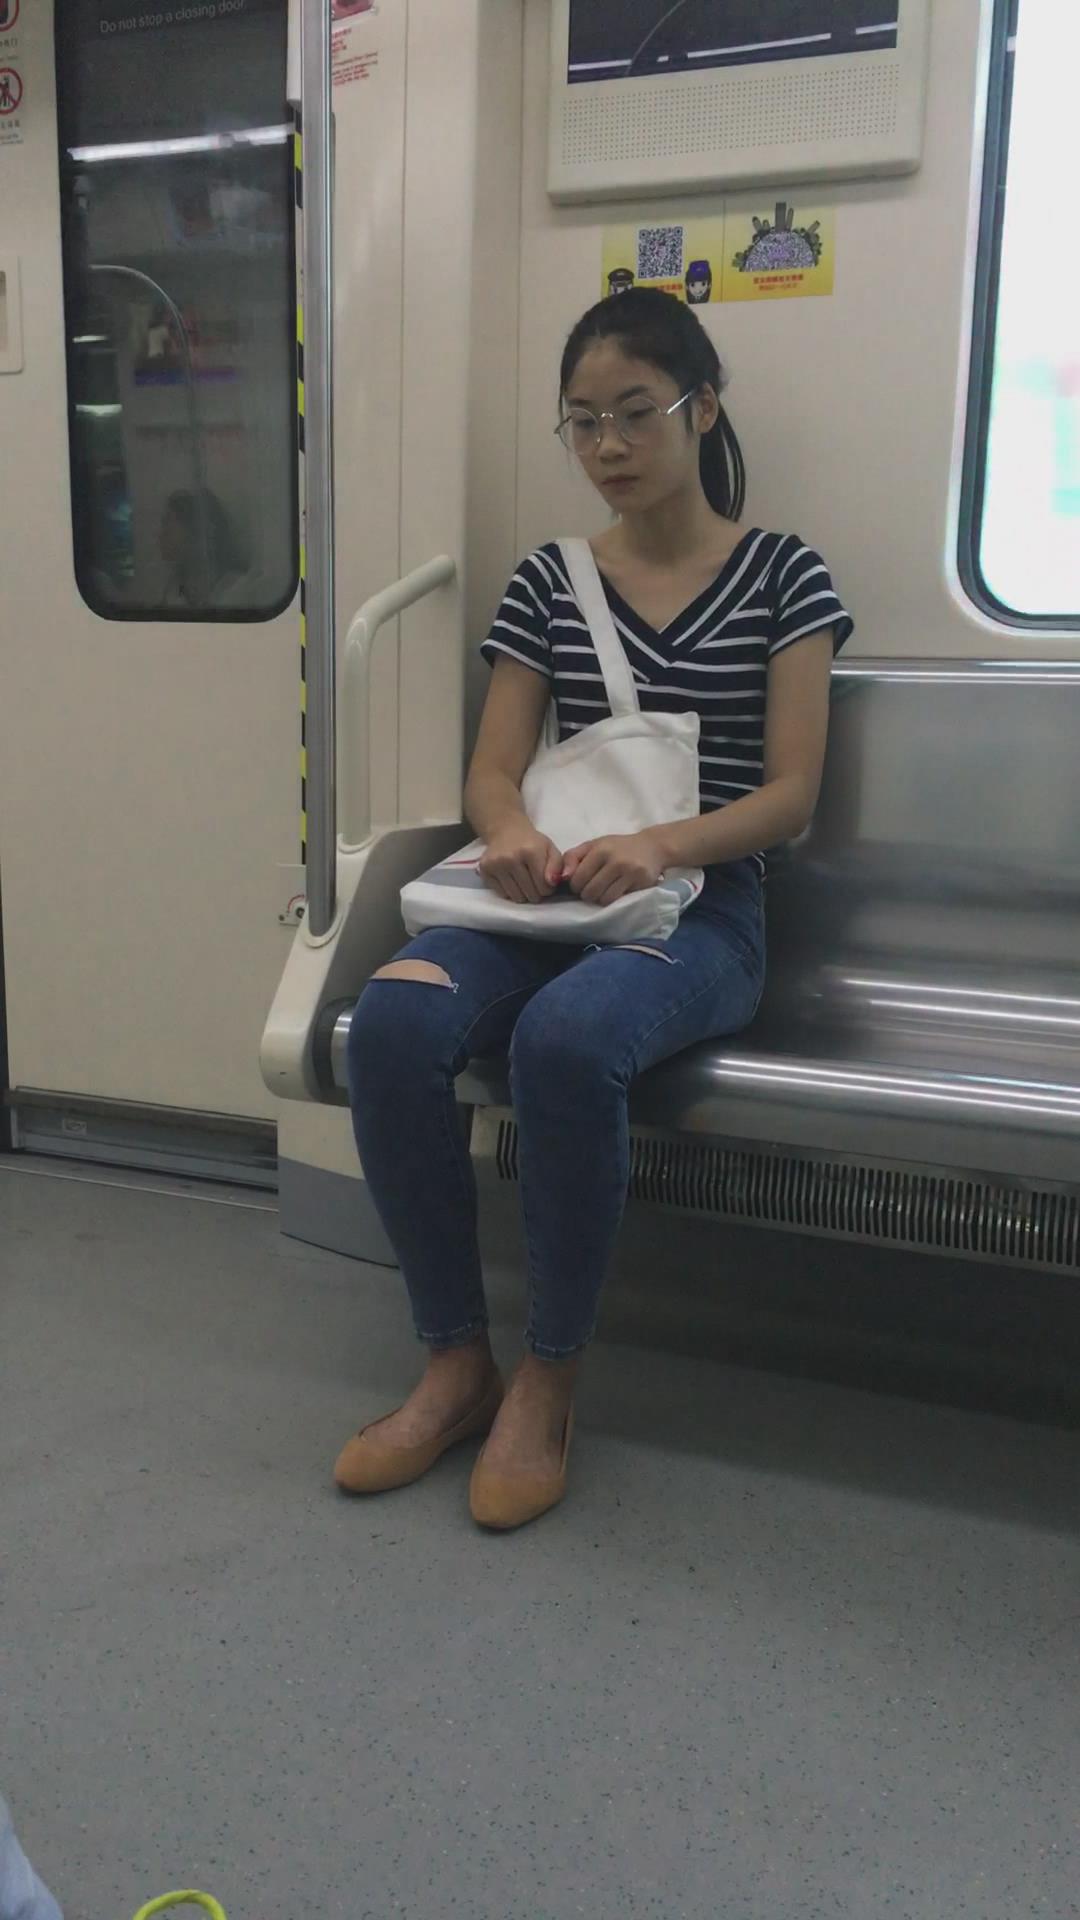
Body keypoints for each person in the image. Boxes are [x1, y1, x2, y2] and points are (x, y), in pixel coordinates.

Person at [342, 288, 852, 1530]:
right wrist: (511, 832)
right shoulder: (549, 581)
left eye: (635, 413)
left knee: (567, 1040)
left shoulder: (784, 575)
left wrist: (659, 845)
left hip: (704, 908)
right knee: (391, 1022)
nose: (609, 445)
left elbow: (790, 797)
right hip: (551, 894)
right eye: (583, 422)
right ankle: (455, 1361)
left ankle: (548, 1381)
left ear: (702, 409)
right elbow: (493, 770)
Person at [159, 487, 247, 610]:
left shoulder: (236, 591)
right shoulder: (174, 589)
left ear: (195, 532)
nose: (160, 534)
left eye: (167, 523)